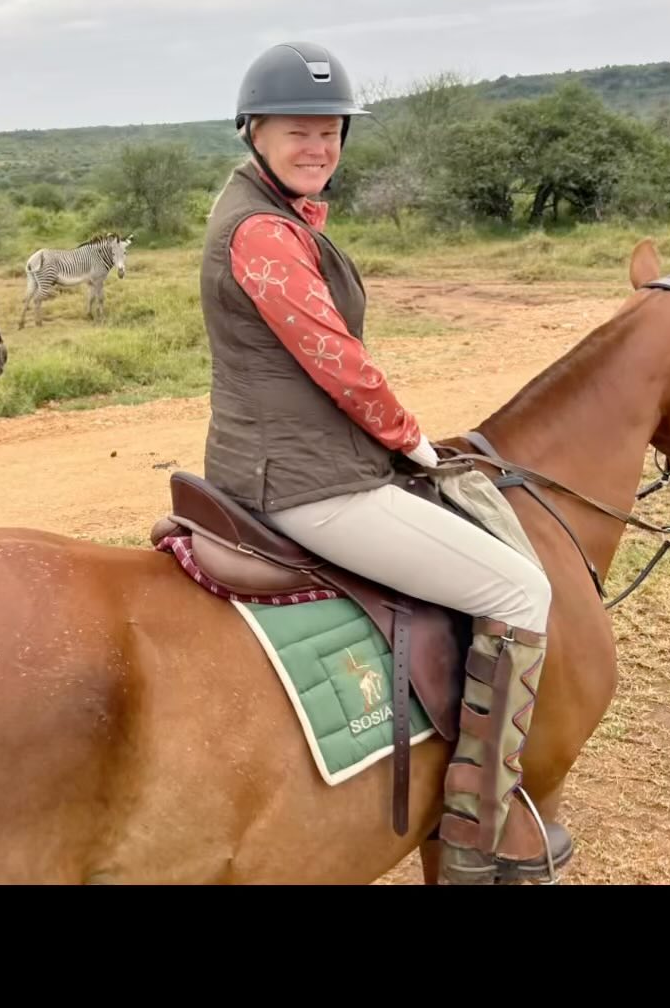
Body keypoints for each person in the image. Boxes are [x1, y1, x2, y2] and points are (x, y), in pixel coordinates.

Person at [200, 43, 571, 885]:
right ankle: (480, 831)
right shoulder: (263, 233)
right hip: (308, 482)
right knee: (521, 591)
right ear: (254, 132)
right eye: (298, 131)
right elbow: (338, 362)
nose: (318, 147)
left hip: (275, 462)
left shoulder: (267, 210)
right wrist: (410, 439)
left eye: (330, 132)